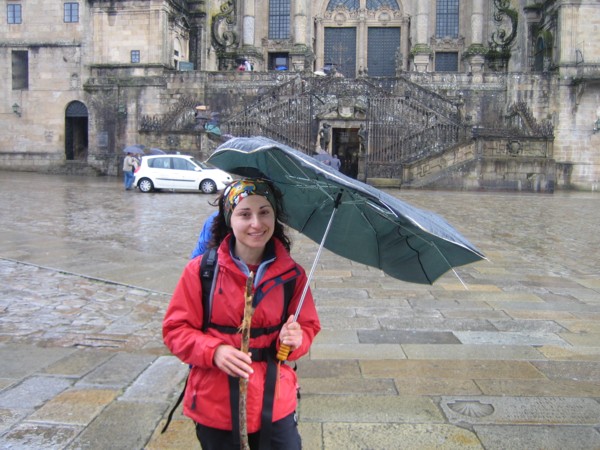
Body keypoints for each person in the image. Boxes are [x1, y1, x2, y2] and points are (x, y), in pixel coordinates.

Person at [163, 178, 321, 449]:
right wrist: (214, 351)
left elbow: (307, 328)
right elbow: (175, 331)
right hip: (217, 404)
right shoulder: (201, 272)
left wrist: (295, 341)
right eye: (245, 214)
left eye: (264, 212)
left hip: (275, 400)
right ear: (229, 218)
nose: (256, 224)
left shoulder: (293, 276)